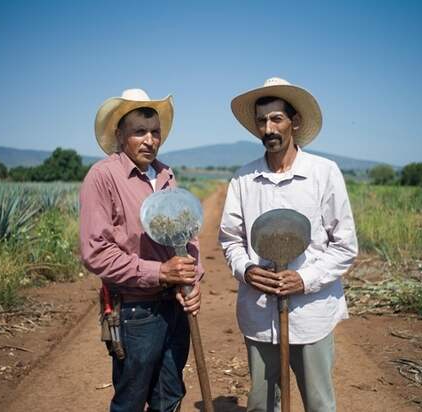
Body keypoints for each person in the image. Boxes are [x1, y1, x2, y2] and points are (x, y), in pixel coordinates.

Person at [218, 77, 358, 412]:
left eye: (276, 118)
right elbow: (230, 239)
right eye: (262, 120)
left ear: (294, 121)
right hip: (259, 314)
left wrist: (304, 279)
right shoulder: (243, 178)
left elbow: (345, 245)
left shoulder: (324, 173)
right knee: (262, 404)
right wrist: (246, 270)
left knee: (319, 404)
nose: (268, 128)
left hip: (312, 315)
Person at [80, 88, 203, 412]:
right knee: (130, 402)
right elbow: (96, 251)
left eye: (155, 132)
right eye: (139, 132)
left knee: (169, 397)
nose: (149, 140)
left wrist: (193, 280)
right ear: (120, 134)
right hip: (136, 313)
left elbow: (187, 237)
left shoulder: (165, 174)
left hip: (174, 310)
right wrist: (160, 272)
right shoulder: (103, 176)